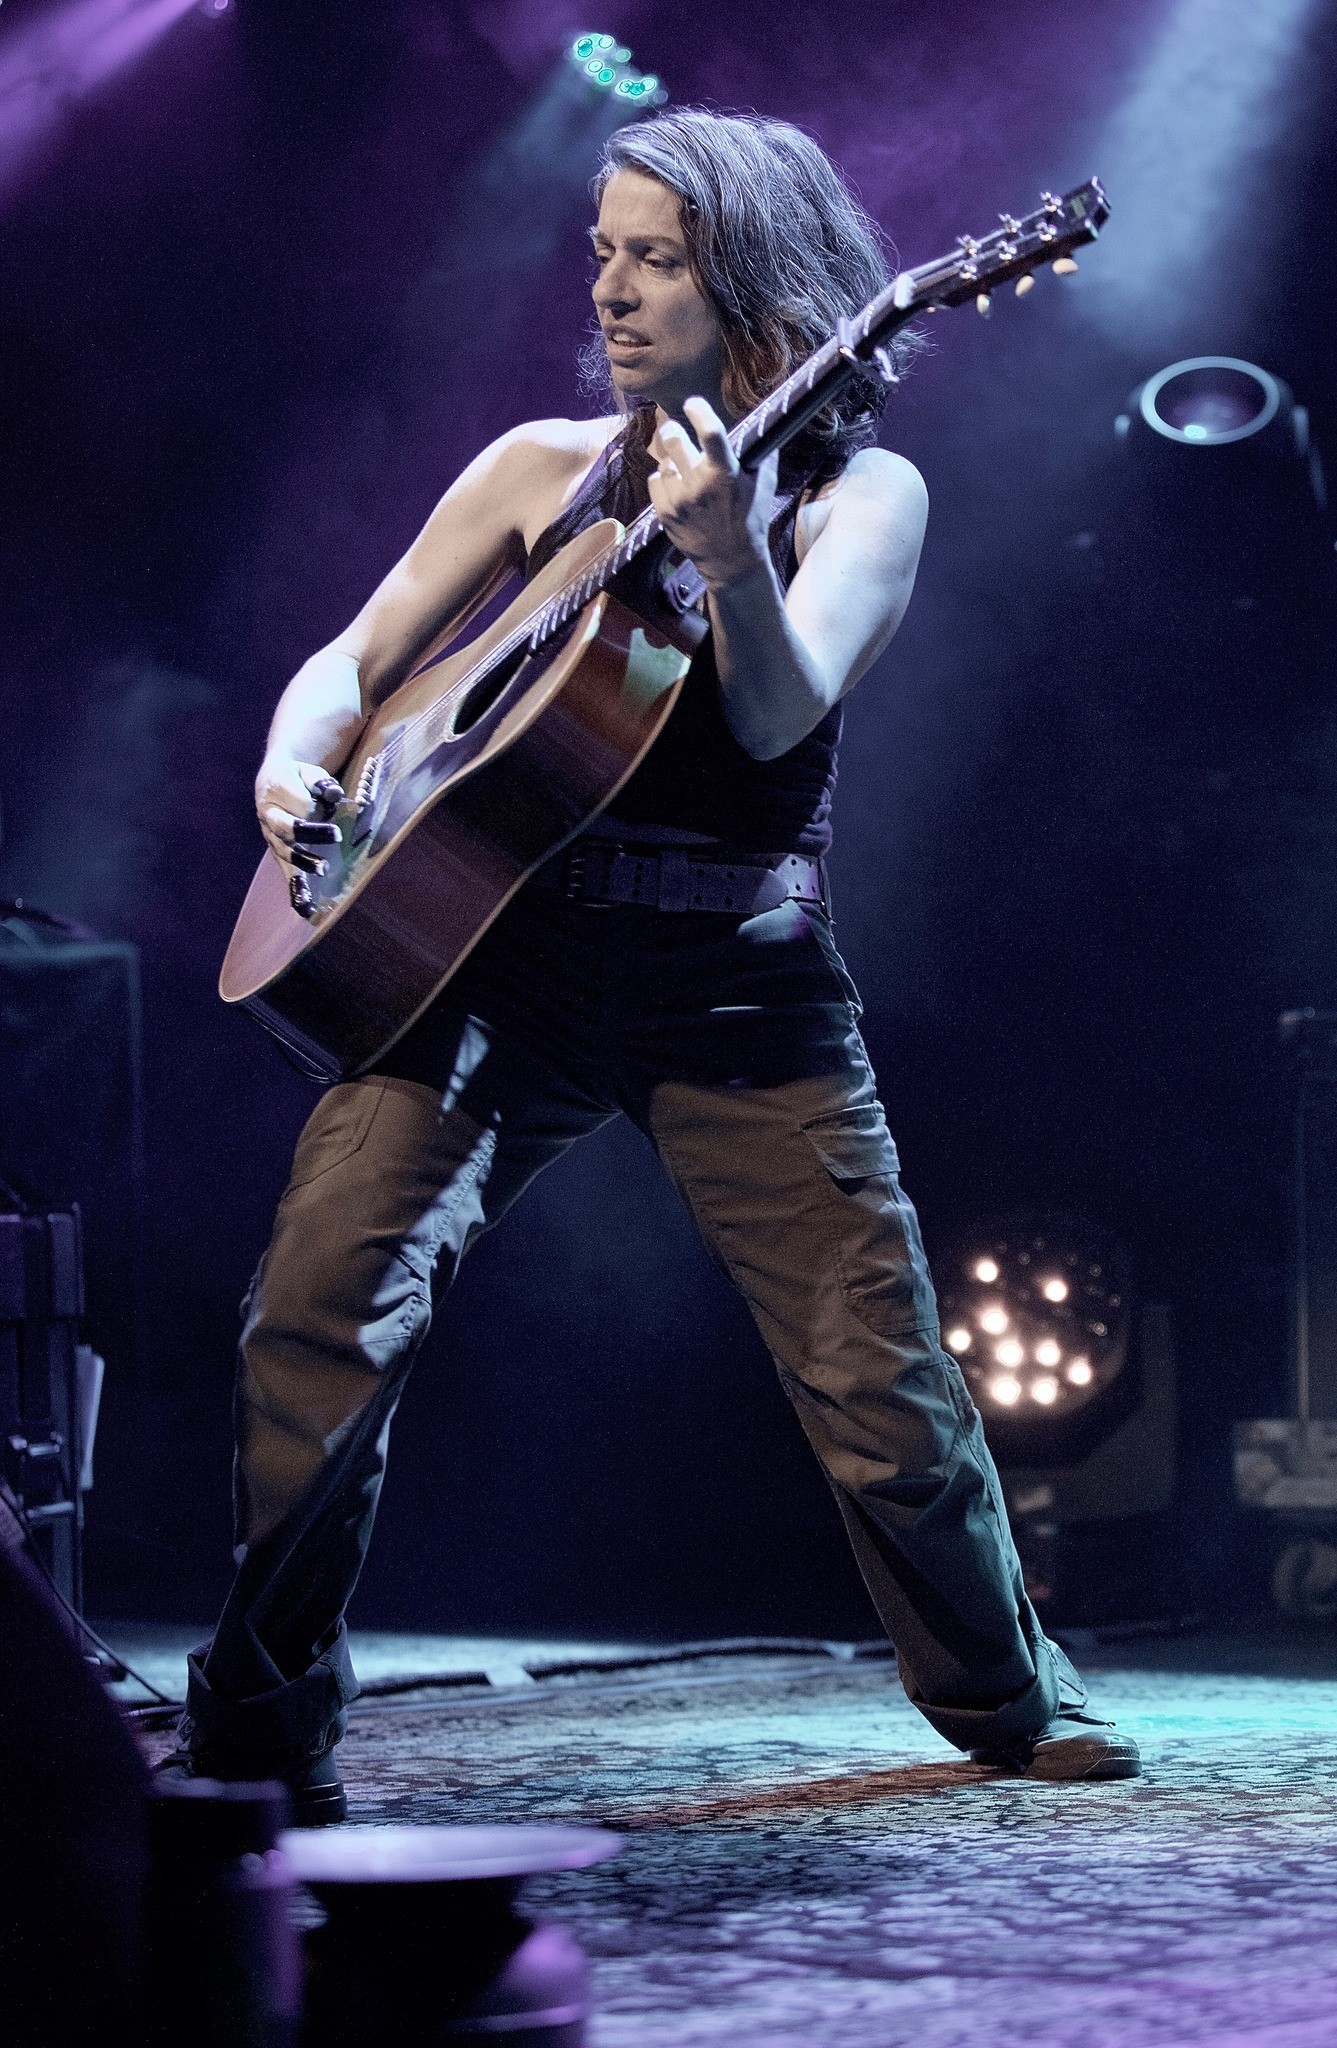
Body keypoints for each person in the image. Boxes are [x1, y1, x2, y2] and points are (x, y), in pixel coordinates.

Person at [163, 110, 1139, 1823]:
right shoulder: (535, 468)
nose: (607, 290)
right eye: (602, 251)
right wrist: (297, 756)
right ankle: (255, 1725)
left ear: (755, 283)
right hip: (488, 960)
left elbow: (773, 710)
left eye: (656, 259)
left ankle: (1004, 1695)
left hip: (735, 978)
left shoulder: (861, 498)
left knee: (873, 1368)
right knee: (315, 1317)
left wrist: (725, 554)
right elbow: (355, 659)